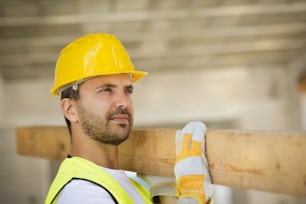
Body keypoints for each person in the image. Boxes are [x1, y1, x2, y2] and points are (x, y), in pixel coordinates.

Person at [45, 33, 213, 204]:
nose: (123, 101)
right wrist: (193, 197)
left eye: (127, 91)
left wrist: (166, 196)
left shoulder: (132, 184)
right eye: (106, 90)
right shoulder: (81, 195)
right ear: (70, 110)